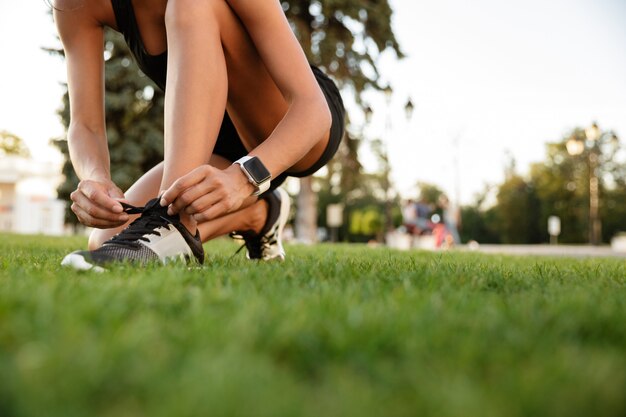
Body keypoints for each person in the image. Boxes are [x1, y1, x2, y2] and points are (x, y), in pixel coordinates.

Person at [51, 0, 345, 270]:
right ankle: (260, 213)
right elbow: (85, 125)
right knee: (105, 240)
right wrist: (95, 178)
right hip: (212, 142)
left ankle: (173, 222)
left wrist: (243, 178)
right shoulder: (77, 4)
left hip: (289, 125)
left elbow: (313, 111)